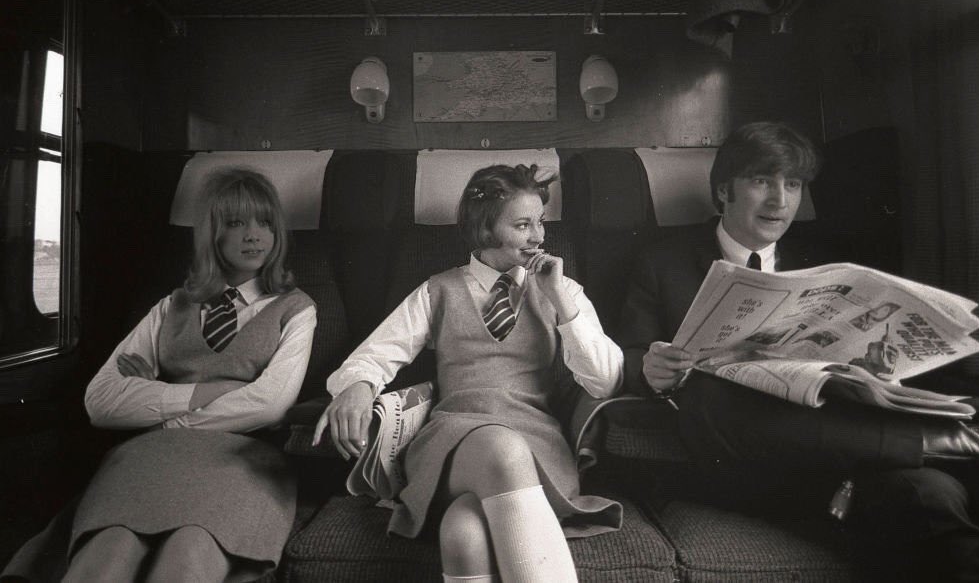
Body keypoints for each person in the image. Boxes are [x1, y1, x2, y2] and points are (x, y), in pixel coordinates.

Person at [618, 121, 979, 581]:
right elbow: (631, 356)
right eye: (761, 181)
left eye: (792, 184)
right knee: (711, 396)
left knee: (932, 493)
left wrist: (876, 372)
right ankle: (948, 440)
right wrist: (653, 369)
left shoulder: (823, 261)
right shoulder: (662, 262)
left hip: (840, 448)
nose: (779, 200)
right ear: (724, 191)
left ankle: (938, 447)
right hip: (741, 450)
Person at [3, 168, 316, 582]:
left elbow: (270, 404)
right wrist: (211, 391)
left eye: (265, 223)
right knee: (105, 554)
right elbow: (101, 401)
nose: (254, 236)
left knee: (187, 554)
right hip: (148, 456)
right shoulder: (173, 305)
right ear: (212, 233)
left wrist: (160, 404)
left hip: (240, 458)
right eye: (237, 223)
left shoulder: (296, 309)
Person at [315, 164, 623, 583]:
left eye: (541, 222)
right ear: (484, 229)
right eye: (523, 224)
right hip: (451, 441)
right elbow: (373, 355)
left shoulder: (562, 291)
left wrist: (559, 302)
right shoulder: (437, 290)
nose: (539, 237)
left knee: (464, 533)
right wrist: (356, 385)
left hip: (536, 444)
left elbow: (605, 382)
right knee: (498, 446)